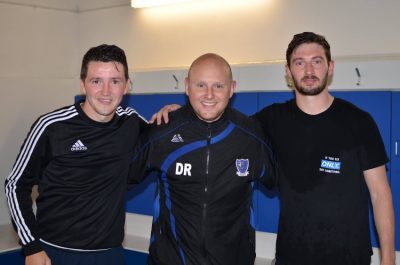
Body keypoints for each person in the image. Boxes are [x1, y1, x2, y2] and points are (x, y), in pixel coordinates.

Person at [150, 32, 396, 265]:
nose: (308, 70)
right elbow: (222, 124)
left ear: (330, 67)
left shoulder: (359, 122)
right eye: (299, 63)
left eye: (317, 61)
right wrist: (182, 115)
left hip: (349, 258)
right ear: (288, 72)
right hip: (291, 255)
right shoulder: (270, 121)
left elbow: (380, 195)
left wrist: (388, 259)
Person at [129, 53, 278, 265]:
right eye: (201, 85)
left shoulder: (252, 137)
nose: (209, 94)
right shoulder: (161, 132)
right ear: (187, 87)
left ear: (232, 88)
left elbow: (285, 183)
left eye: (218, 86)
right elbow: (118, 179)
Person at [5, 44, 147, 265]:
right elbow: (15, 185)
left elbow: (167, 138)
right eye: (96, 81)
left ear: (127, 86)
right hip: (54, 253)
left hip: (110, 255)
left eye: (115, 81)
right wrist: (31, 246)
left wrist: (173, 112)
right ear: (83, 84)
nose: (106, 91)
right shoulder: (52, 126)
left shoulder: (132, 123)